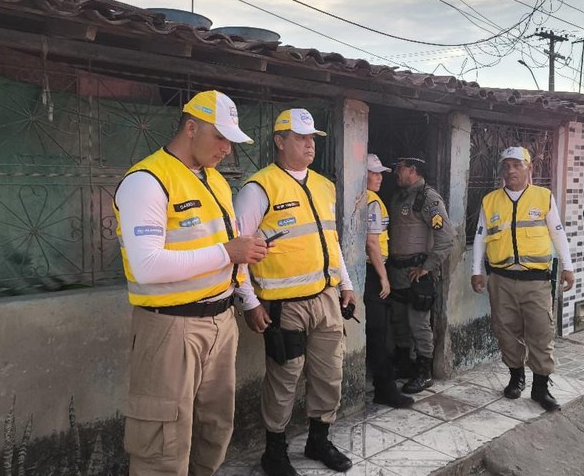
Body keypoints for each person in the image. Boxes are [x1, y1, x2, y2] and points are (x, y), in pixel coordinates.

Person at [113, 90, 269, 476]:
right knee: (164, 442)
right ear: (190, 127)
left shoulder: (214, 181)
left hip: (221, 320)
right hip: (170, 327)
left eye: (231, 142)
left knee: (215, 428)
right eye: (220, 138)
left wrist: (245, 284)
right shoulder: (147, 181)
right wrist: (228, 254)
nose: (226, 150)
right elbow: (147, 265)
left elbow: (229, 247)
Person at [234, 108, 356, 476]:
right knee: (284, 379)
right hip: (283, 306)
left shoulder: (323, 185)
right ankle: (275, 451)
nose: (309, 145)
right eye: (301, 138)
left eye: (312, 139)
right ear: (279, 141)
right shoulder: (259, 188)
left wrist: (346, 284)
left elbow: (331, 242)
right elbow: (238, 251)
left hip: (325, 298)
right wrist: (249, 302)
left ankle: (319, 440)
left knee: (329, 374)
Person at [470, 146, 576, 412]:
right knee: (506, 331)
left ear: (529, 169)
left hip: (537, 280)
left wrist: (568, 265)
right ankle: (516, 378)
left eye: (517, 165)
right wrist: (476, 271)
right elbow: (480, 238)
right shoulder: (490, 200)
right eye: (506, 166)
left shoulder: (543, 197)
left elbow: (558, 233)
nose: (511, 170)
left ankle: (541, 387)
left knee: (541, 332)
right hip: (501, 280)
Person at [387, 155, 455, 394]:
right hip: (397, 272)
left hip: (418, 274)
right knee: (399, 322)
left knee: (419, 324)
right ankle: (405, 365)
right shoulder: (399, 197)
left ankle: (424, 372)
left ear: (412, 169)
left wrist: (427, 266)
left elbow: (446, 238)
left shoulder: (428, 199)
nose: (396, 171)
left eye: (399, 167)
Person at [364, 153, 414, 408]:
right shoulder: (371, 201)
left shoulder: (361, 199)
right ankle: (384, 388)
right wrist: (384, 278)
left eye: (380, 173)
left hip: (367, 271)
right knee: (378, 332)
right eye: (373, 173)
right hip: (373, 271)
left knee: (376, 331)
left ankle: (382, 385)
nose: (379, 178)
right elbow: (372, 243)